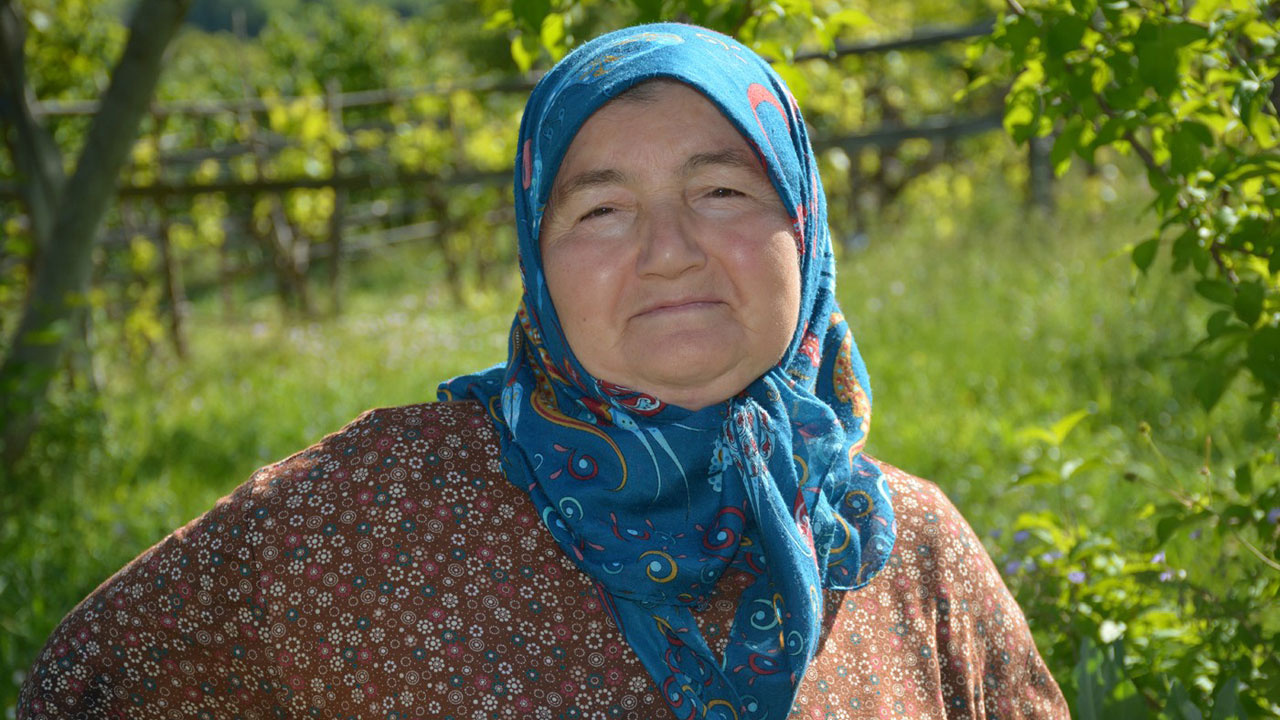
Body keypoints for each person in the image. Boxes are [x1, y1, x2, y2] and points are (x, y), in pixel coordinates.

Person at [18, 22, 1068, 720]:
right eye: (601, 209)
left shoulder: (899, 546)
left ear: (804, 227)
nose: (670, 250)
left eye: (722, 193)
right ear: (537, 253)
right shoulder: (377, 510)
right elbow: (90, 686)